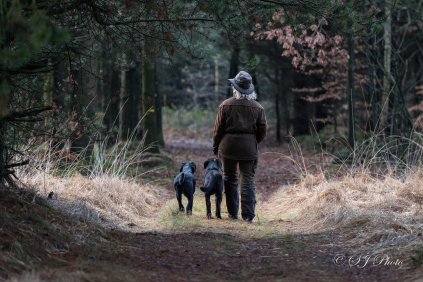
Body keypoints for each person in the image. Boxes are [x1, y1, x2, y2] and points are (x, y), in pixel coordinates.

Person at [212, 71, 268, 222]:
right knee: (248, 180)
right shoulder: (258, 107)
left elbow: (218, 129)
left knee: (230, 178)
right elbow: (263, 131)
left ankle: (232, 214)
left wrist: (215, 146)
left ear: (235, 88)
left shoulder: (225, 105)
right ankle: (248, 216)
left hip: (227, 148)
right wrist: (253, 141)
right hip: (248, 149)